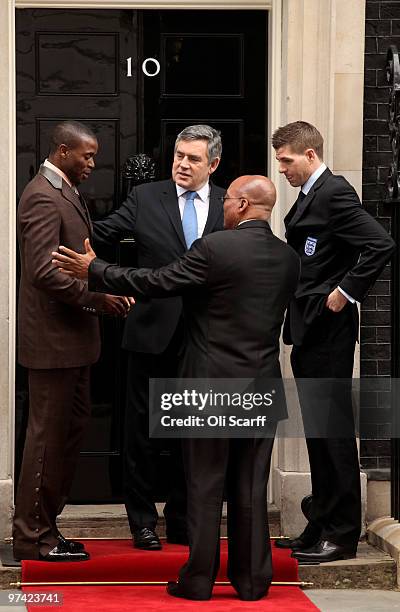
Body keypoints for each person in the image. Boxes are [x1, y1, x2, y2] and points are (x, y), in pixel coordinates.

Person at [52, 175, 300, 600]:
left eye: (227, 201)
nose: (221, 206)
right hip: (261, 384)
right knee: (251, 486)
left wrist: (93, 269)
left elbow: (155, 282)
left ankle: (199, 579)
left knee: (204, 483)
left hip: (208, 383)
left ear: (241, 205)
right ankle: (253, 581)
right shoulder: (288, 257)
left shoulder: (214, 249)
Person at [90, 125, 225, 550]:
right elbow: (100, 234)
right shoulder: (146, 197)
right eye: (179, 156)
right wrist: (98, 280)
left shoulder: (230, 203)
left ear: (213, 164)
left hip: (207, 337)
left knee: (196, 432)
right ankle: (142, 522)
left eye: (194, 159)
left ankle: (183, 519)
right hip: (149, 333)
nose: (183, 164)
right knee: (141, 435)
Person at [272, 121, 396, 563]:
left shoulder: (335, 193)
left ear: (309, 155)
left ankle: (342, 533)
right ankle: (321, 521)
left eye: (286, 159)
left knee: (334, 433)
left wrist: (344, 294)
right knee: (319, 433)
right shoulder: (311, 194)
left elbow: (380, 244)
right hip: (308, 327)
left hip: (328, 328)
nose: (281, 167)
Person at [13, 121, 131, 562]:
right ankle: (32, 538)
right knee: (46, 441)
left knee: (66, 437)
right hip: (53, 344)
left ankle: (48, 528)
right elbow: (43, 272)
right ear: (63, 151)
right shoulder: (42, 195)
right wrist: (98, 298)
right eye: (87, 156)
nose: (93, 164)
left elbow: (77, 258)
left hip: (74, 343)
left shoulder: (63, 190)